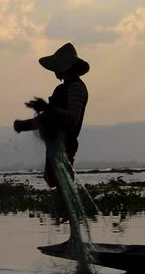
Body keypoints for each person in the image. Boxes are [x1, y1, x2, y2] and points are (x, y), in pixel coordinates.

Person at [13, 42, 90, 188]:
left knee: (61, 181)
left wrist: (46, 108)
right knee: (53, 179)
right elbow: (49, 119)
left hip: (65, 143)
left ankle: (63, 208)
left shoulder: (76, 88)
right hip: (55, 142)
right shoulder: (63, 88)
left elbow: (73, 117)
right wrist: (26, 124)